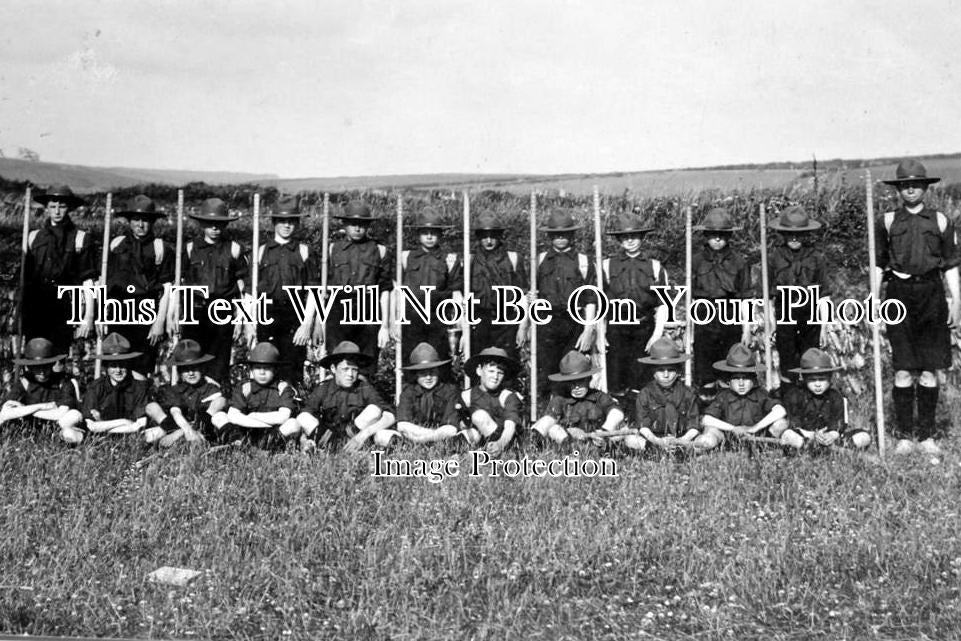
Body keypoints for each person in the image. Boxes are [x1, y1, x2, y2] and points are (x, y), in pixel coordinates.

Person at [874, 159, 960, 455]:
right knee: (902, 370)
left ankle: (926, 436)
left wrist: (956, 301)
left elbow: (950, 266)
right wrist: (874, 299)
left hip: (931, 294)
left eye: (916, 184)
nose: (910, 189)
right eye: (905, 185)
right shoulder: (886, 221)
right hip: (898, 295)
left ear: (925, 187)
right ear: (898, 189)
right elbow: (878, 264)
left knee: (928, 371)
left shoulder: (940, 221)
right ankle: (904, 437)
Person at [179, 198, 249, 385]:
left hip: (221, 312)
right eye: (210, 224)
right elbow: (179, 284)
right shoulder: (189, 248)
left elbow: (242, 286)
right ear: (202, 224)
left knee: (218, 363)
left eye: (219, 224)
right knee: (191, 360)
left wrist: (242, 317)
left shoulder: (234, 249)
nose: (215, 229)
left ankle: (215, 404)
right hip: (194, 311)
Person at [106, 194, 174, 378]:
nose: (141, 225)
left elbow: (168, 288)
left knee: (142, 365)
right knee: (117, 362)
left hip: (145, 311)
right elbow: (105, 282)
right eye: (136, 219)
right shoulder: (115, 244)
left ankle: (140, 402)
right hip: (118, 311)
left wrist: (159, 322)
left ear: (152, 222)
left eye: (145, 220)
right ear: (129, 221)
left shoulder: (161, 248)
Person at [533, 209, 598, 405]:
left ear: (572, 234)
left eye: (565, 233)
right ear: (550, 235)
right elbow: (531, 293)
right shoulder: (539, 260)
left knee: (574, 367)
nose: (561, 237)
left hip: (574, 321)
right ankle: (546, 412)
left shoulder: (584, 261)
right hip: (546, 321)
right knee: (546, 368)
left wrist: (588, 329)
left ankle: (573, 411)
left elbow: (591, 298)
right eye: (556, 234)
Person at [602, 211, 669, 398]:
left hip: (644, 328)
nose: (630, 241)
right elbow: (599, 302)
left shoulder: (655, 267)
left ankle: (639, 415)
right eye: (625, 237)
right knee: (615, 374)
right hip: (616, 327)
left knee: (641, 374)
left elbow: (663, 304)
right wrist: (601, 331)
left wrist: (657, 334)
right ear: (619, 239)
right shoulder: (607, 266)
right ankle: (618, 415)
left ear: (642, 237)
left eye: (634, 236)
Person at [23, 185, 97, 353]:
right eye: (52, 206)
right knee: (35, 356)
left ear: (69, 208)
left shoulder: (80, 238)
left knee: (58, 358)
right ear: (47, 208)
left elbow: (88, 280)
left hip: (63, 307)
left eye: (62, 206)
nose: (57, 211)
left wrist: (88, 316)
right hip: (36, 306)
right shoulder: (34, 237)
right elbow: (25, 279)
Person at [255, 195, 318, 384]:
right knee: (266, 365)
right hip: (266, 314)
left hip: (294, 315)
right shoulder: (261, 251)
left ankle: (291, 406)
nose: (287, 225)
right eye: (282, 221)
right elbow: (251, 293)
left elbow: (313, 291)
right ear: (274, 222)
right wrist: (249, 323)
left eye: (291, 221)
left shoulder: (305, 251)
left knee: (292, 367)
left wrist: (307, 324)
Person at [324, 201, 391, 375]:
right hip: (338, 308)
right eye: (353, 224)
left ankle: (363, 398)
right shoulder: (332, 249)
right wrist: (319, 321)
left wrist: (385, 325)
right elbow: (322, 289)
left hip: (367, 307)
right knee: (337, 358)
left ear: (368, 226)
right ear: (345, 225)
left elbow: (385, 290)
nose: (357, 228)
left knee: (366, 361)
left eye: (362, 224)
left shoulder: (379, 250)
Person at [691, 207, 751, 395]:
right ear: (706, 235)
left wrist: (747, 328)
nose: (717, 239)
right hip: (704, 318)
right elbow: (689, 297)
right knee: (705, 372)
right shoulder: (695, 261)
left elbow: (746, 296)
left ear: (729, 236)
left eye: (722, 235)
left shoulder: (739, 262)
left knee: (729, 370)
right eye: (713, 234)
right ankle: (706, 412)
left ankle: (729, 412)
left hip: (730, 318)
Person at [767, 206, 828, 385]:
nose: (794, 238)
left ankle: (806, 403)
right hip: (785, 314)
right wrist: (772, 323)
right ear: (782, 234)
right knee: (787, 361)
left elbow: (824, 295)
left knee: (810, 360)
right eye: (789, 234)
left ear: (807, 234)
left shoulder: (817, 257)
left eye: (799, 234)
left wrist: (824, 326)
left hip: (810, 315)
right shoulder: (774, 257)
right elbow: (768, 297)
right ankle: (788, 401)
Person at [297, 341, 396, 452]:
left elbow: (390, 415)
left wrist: (362, 435)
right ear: (333, 369)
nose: (350, 374)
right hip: (327, 437)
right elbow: (305, 416)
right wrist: (304, 439)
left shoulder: (364, 388)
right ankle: (333, 447)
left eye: (354, 370)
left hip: (356, 437)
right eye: (345, 369)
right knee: (303, 417)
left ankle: (344, 447)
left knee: (374, 410)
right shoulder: (323, 389)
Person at [394, 209, 461, 368]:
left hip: (438, 320)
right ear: (418, 235)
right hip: (411, 320)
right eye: (425, 233)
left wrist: (458, 323)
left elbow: (456, 293)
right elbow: (397, 292)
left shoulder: (449, 259)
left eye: (434, 232)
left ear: (440, 235)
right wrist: (395, 321)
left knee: (440, 362)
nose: (430, 237)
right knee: (411, 363)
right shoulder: (405, 257)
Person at [462, 213, 528, 361]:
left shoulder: (513, 258)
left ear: (500, 236)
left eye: (493, 236)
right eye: (485, 236)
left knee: (507, 362)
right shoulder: (469, 260)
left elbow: (522, 295)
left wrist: (523, 327)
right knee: (479, 361)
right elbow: (462, 297)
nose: (489, 241)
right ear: (479, 237)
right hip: (479, 320)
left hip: (506, 320)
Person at [697, 343, 787, 450]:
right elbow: (706, 419)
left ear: (754, 380)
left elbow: (780, 411)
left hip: (756, 439)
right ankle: (706, 450)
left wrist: (754, 428)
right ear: (729, 381)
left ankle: (768, 450)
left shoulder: (760, 394)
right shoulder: (723, 396)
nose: (741, 383)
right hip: (728, 439)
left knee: (781, 423)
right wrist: (733, 429)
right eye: (736, 378)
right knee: (709, 432)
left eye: (745, 378)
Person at [211, 341, 300, 448]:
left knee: (293, 424)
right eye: (257, 367)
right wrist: (253, 421)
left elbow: (283, 417)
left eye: (267, 368)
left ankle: (266, 445)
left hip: (272, 431)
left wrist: (254, 416)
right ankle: (237, 442)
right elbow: (233, 415)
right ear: (251, 369)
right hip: (246, 430)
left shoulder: (282, 388)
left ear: (275, 370)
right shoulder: (245, 387)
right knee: (218, 416)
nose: (262, 372)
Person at [781, 348, 871, 451]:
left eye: (822, 379)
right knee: (788, 435)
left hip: (830, 440)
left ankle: (835, 450)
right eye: (812, 380)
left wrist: (831, 436)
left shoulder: (835, 396)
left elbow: (838, 426)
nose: (818, 384)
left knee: (864, 436)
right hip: (805, 437)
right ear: (805, 379)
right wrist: (813, 435)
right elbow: (794, 425)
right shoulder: (795, 395)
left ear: (830, 379)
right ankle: (810, 449)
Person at [144, 339, 225, 447]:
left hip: (202, 430)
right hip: (175, 428)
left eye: (195, 368)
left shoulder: (211, 389)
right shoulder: (174, 390)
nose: (191, 373)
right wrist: (182, 431)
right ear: (180, 372)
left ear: (202, 368)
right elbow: (175, 413)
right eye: (186, 369)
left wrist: (178, 434)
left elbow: (205, 419)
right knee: (151, 432)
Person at [1, 338, 84, 443]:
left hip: (57, 427)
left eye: (46, 367)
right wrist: (42, 406)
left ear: (52, 365)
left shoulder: (63, 382)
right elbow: (6, 410)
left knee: (73, 416)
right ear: (29, 368)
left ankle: (60, 439)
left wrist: (26, 410)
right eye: (37, 368)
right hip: (30, 429)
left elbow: (63, 412)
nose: (42, 372)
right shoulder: (24, 383)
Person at [531, 350, 623, 445]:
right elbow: (549, 419)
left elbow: (616, 412)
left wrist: (605, 430)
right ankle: (568, 448)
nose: (577, 387)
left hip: (598, 441)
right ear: (565, 383)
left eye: (581, 381)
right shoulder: (560, 399)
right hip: (568, 441)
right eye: (572, 382)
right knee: (553, 429)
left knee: (619, 433)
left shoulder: (599, 397)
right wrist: (538, 433)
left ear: (589, 378)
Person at [631, 338, 700, 451]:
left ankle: (683, 452)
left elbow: (694, 425)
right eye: (661, 370)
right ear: (653, 373)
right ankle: (654, 451)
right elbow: (642, 425)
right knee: (631, 440)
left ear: (678, 372)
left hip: (682, 439)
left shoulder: (688, 394)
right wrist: (657, 441)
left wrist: (682, 441)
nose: (666, 375)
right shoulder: (645, 394)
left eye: (671, 370)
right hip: (654, 439)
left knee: (705, 441)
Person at [83, 333, 151, 436]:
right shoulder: (95, 387)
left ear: (128, 365)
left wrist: (102, 424)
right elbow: (90, 425)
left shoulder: (139, 388)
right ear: (106, 368)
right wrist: (124, 422)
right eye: (113, 366)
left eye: (122, 365)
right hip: (101, 441)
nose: (118, 370)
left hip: (131, 438)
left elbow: (140, 425)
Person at [395, 343, 462, 444]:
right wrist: (430, 434)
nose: (428, 377)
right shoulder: (408, 392)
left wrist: (424, 439)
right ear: (416, 374)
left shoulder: (449, 391)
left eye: (432, 372)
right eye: (423, 373)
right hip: (412, 439)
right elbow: (403, 424)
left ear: (438, 372)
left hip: (443, 440)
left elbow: (451, 427)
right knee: (384, 436)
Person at [460, 347, 523, 455]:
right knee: (469, 431)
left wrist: (500, 444)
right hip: (479, 439)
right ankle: (454, 452)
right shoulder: (467, 395)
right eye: (491, 371)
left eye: (500, 373)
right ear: (479, 370)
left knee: (479, 416)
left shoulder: (508, 396)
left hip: (504, 441)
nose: (495, 376)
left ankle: (497, 453)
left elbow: (510, 427)